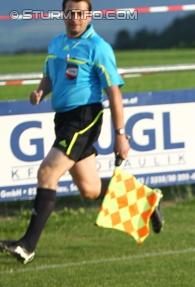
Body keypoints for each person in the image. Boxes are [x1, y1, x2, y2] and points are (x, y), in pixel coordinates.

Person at [0, 0, 164, 265]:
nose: (74, 17)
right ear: (63, 14)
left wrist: (120, 133)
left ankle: (27, 245)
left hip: (84, 117)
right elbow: (50, 76)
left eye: (80, 13)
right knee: (90, 189)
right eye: (70, 12)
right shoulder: (55, 44)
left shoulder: (98, 47)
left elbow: (114, 92)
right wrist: (41, 91)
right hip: (63, 118)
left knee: (47, 171)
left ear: (89, 16)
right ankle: (147, 199)